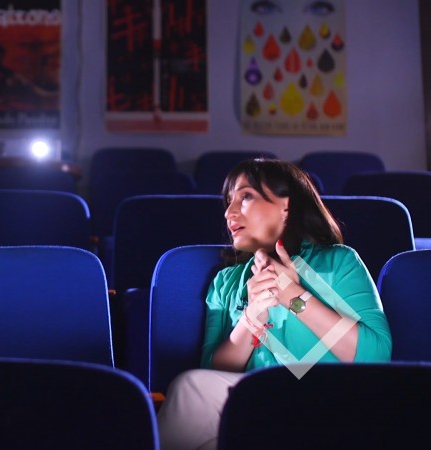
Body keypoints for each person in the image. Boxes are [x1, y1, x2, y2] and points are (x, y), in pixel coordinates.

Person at [156, 158, 391, 450]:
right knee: (196, 399)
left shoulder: (338, 261)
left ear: (286, 206)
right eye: (228, 202)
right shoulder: (226, 281)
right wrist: (251, 318)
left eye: (245, 197)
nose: (229, 213)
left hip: (330, 403)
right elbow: (213, 369)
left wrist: (292, 296)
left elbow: (375, 354)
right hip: (258, 406)